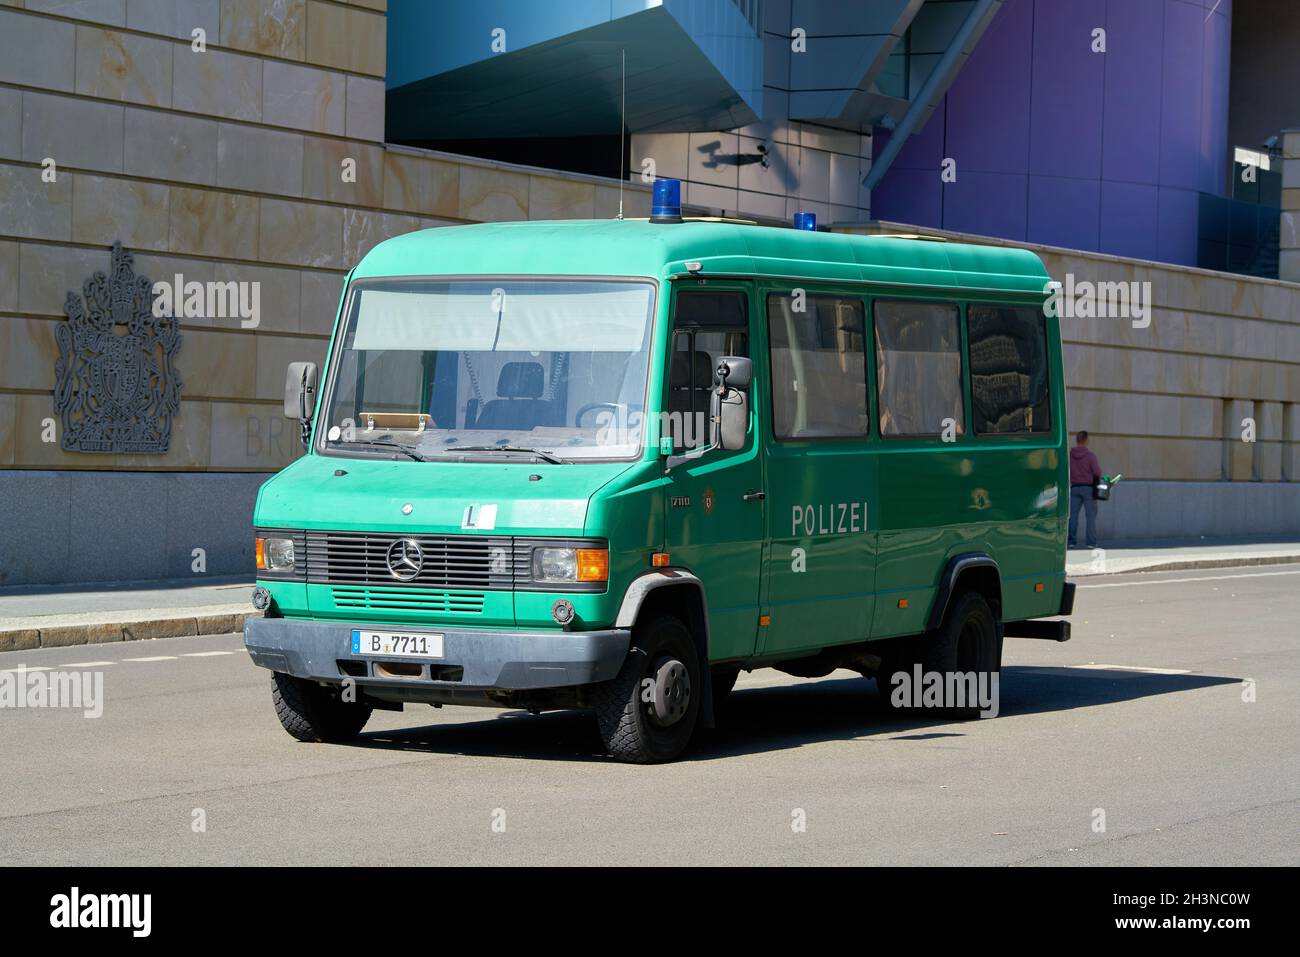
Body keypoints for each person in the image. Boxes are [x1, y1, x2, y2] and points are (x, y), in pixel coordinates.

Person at [1068, 430, 1103, 548]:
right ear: (1086, 440)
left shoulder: (1070, 455)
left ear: (1077, 440)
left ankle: (1071, 541)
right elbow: (1097, 472)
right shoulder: (1090, 456)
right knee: (1091, 516)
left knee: (1072, 516)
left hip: (1074, 488)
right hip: (1088, 489)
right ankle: (1091, 543)